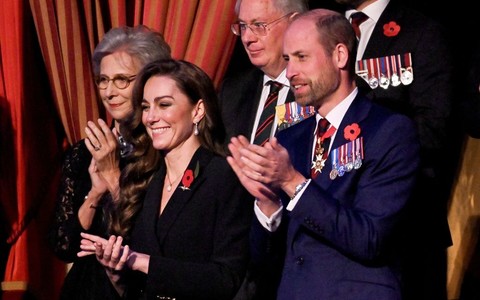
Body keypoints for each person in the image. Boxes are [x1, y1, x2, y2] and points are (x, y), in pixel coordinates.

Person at [227, 9, 421, 299]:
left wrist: (292, 182)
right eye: (287, 59)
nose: (291, 72)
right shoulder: (290, 139)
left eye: (302, 57)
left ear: (340, 56)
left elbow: (370, 238)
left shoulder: (388, 131)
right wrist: (267, 205)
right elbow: (266, 261)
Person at [77, 59, 255, 300]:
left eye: (164, 105)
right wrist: (115, 268)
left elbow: (227, 278)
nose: (151, 117)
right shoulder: (143, 178)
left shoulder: (223, 175)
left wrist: (141, 261)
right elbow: (132, 288)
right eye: (146, 107)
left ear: (198, 110)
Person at [333, 0, 454, 298]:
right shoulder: (322, 28)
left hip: (402, 228)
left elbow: (433, 128)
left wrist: (357, 159)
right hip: (329, 227)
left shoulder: (421, 32)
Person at [47, 25, 171, 300]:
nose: (109, 92)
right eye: (103, 80)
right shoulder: (85, 152)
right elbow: (63, 246)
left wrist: (114, 175)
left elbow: (149, 243)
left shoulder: (165, 151)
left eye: (122, 80)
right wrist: (96, 192)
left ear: (150, 80)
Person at [218, 0, 309, 145]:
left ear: (294, 23)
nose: (247, 38)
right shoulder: (232, 92)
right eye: (242, 26)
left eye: (259, 25)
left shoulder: (320, 87)